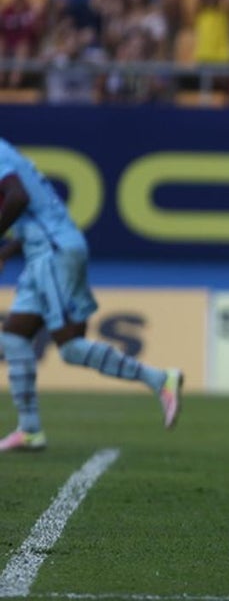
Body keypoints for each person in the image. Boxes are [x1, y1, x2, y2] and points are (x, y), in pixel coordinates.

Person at [0, 139, 184, 451]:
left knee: (69, 346)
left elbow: (18, 197)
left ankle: (159, 379)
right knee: (15, 335)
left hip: (53, 253)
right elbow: (34, 214)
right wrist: (6, 252)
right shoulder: (9, 155)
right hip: (45, 251)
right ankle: (30, 430)